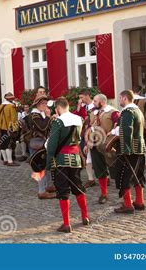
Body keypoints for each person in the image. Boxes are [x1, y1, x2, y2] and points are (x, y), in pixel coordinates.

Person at [46, 97, 89, 233]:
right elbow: (78, 139)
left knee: (63, 191)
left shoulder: (58, 122)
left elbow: (52, 144)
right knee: (78, 187)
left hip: (61, 160)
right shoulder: (78, 119)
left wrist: (48, 162)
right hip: (75, 158)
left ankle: (66, 224)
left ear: (58, 108)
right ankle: (85, 216)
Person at [113, 90, 146, 214]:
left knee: (123, 176)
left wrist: (125, 149)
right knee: (138, 174)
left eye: (120, 98)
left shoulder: (127, 111)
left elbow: (126, 130)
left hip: (129, 149)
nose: (119, 100)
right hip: (139, 147)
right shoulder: (138, 110)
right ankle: (139, 201)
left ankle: (128, 204)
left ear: (124, 98)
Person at [84, 94, 120, 204]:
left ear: (102, 102)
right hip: (95, 145)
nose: (93, 103)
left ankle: (125, 195)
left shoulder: (113, 112)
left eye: (95, 101)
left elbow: (119, 126)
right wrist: (87, 142)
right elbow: (90, 128)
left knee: (116, 170)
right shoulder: (93, 113)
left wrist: (112, 133)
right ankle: (104, 194)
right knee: (100, 170)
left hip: (108, 146)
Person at [29, 94, 56, 199]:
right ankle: (41, 191)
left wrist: (50, 118)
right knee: (39, 168)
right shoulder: (35, 115)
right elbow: (42, 127)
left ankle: (47, 186)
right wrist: (48, 116)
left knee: (46, 166)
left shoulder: (41, 114)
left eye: (46, 103)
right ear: (38, 104)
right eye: (43, 104)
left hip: (42, 143)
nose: (45, 105)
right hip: (37, 144)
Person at [0, 92, 19, 166]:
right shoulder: (11, 107)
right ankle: (10, 161)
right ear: (11, 99)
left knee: (3, 144)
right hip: (10, 128)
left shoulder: (0, 106)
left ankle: (5, 160)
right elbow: (14, 119)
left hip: (2, 128)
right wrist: (15, 129)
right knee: (9, 144)